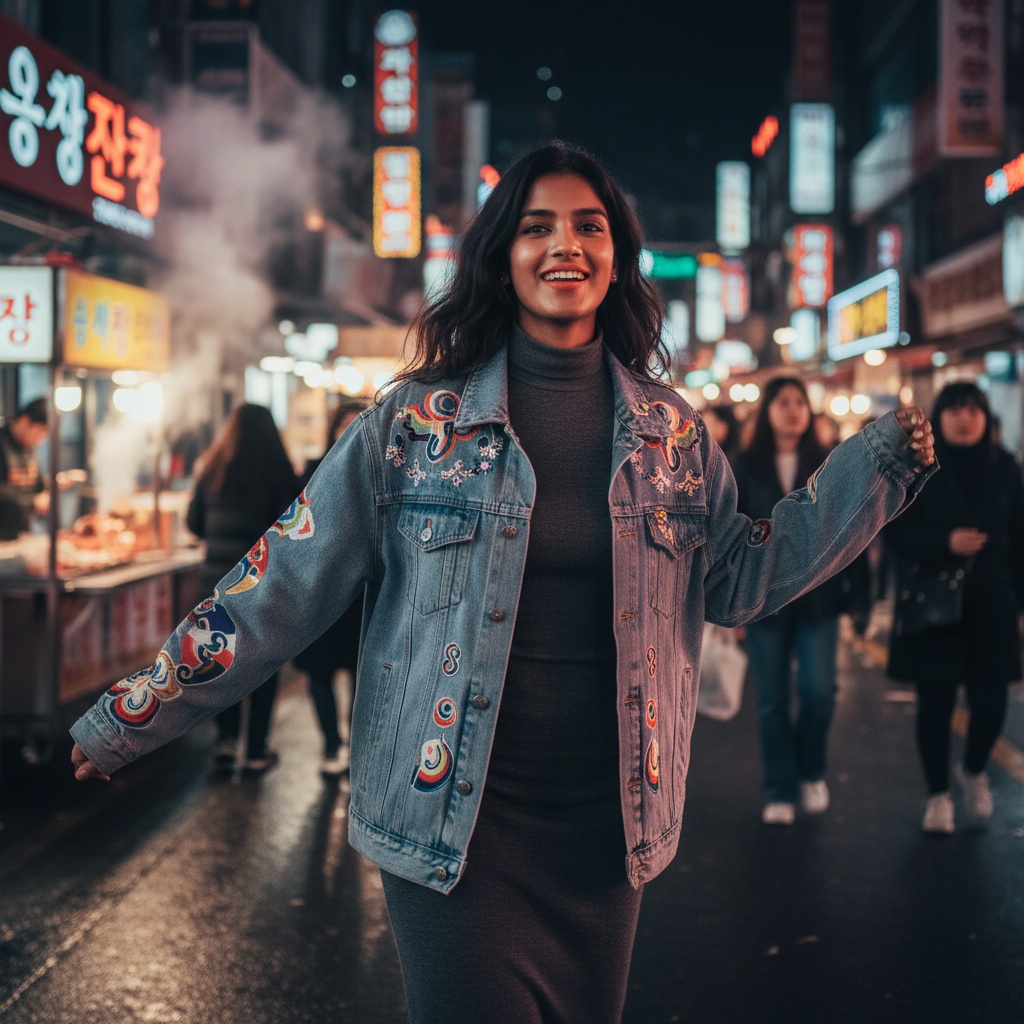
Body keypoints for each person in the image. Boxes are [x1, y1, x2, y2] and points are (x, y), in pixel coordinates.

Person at [70, 141, 936, 1024]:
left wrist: (876, 468)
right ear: (501, 256)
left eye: (589, 227)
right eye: (536, 227)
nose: (565, 245)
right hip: (455, 829)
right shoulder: (412, 426)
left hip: (608, 830)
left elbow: (740, 578)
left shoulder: (671, 435)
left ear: (616, 257)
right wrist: (137, 713)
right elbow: (282, 580)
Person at [885, 381, 1024, 834]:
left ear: (986, 418)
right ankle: (938, 795)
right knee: (935, 703)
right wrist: (945, 542)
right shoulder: (918, 467)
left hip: (993, 604)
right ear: (939, 418)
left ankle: (975, 769)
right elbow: (895, 534)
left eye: (974, 410)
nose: (965, 418)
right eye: (955, 409)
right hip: (935, 606)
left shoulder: (1006, 468)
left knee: (991, 701)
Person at [733, 377, 872, 826]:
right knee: (772, 701)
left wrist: (861, 597)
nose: (793, 410)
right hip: (764, 599)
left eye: (799, 402)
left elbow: (854, 529)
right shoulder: (743, 466)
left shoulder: (828, 463)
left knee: (819, 693)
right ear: (767, 411)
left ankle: (810, 770)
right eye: (783, 402)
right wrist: (730, 604)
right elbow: (731, 535)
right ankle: (779, 788)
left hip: (819, 597)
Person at [185, 403, 299, 773]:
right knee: (263, 666)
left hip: (216, 586)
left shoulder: (211, 470)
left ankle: (226, 741)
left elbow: (194, 524)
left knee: (222, 664)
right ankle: (255, 751)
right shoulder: (280, 472)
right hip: (260, 586)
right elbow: (291, 531)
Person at [292, 398, 368, 775]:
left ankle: (355, 749)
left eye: (359, 425)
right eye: (344, 425)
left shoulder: (382, 475)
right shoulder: (312, 472)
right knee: (318, 672)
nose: (350, 433)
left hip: (362, 593)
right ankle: (331, 745)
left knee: (362, 674)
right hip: (319, 591)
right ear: (332, 431)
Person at [0, 397, 49, 540]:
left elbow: (37, 484)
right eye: (41, 431)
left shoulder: (30, 447)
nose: (42, 439)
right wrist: (32, 501)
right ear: (25, 421)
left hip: (22, 531)